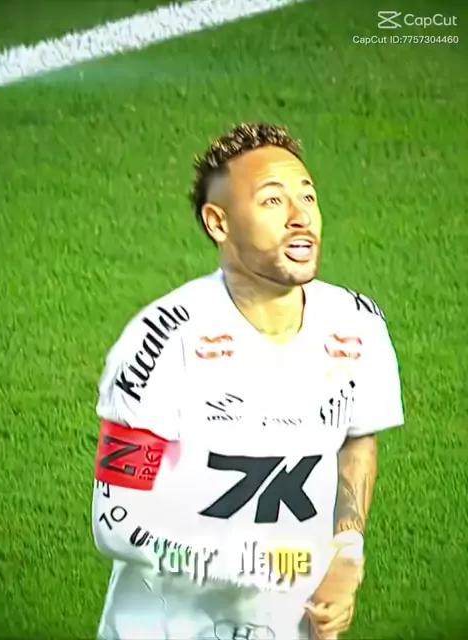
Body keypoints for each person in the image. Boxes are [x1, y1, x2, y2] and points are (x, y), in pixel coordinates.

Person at [91, 122, 404, 640]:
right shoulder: (163, 341)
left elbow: (355, 438)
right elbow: (116, 521)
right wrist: (247, 564)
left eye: (308, 196)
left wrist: (346, 548)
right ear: (219, 222)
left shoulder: (357, 324)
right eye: (272, 200)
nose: (301, 217)